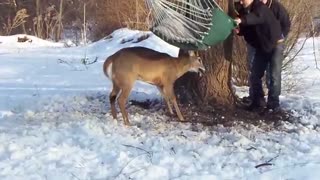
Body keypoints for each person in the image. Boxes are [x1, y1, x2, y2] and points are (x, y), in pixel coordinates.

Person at [235, 0, 291, 105]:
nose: (241, 2)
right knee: (255, 75)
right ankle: (258, 101)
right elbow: (249, 27)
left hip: (275, 44)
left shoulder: (261, 7)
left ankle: (273, 104)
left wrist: (242, 20)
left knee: (274, 75)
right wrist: (240, 30)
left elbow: (258, 17)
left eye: (243, 0)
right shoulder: (245, 10)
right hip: (261, 46)